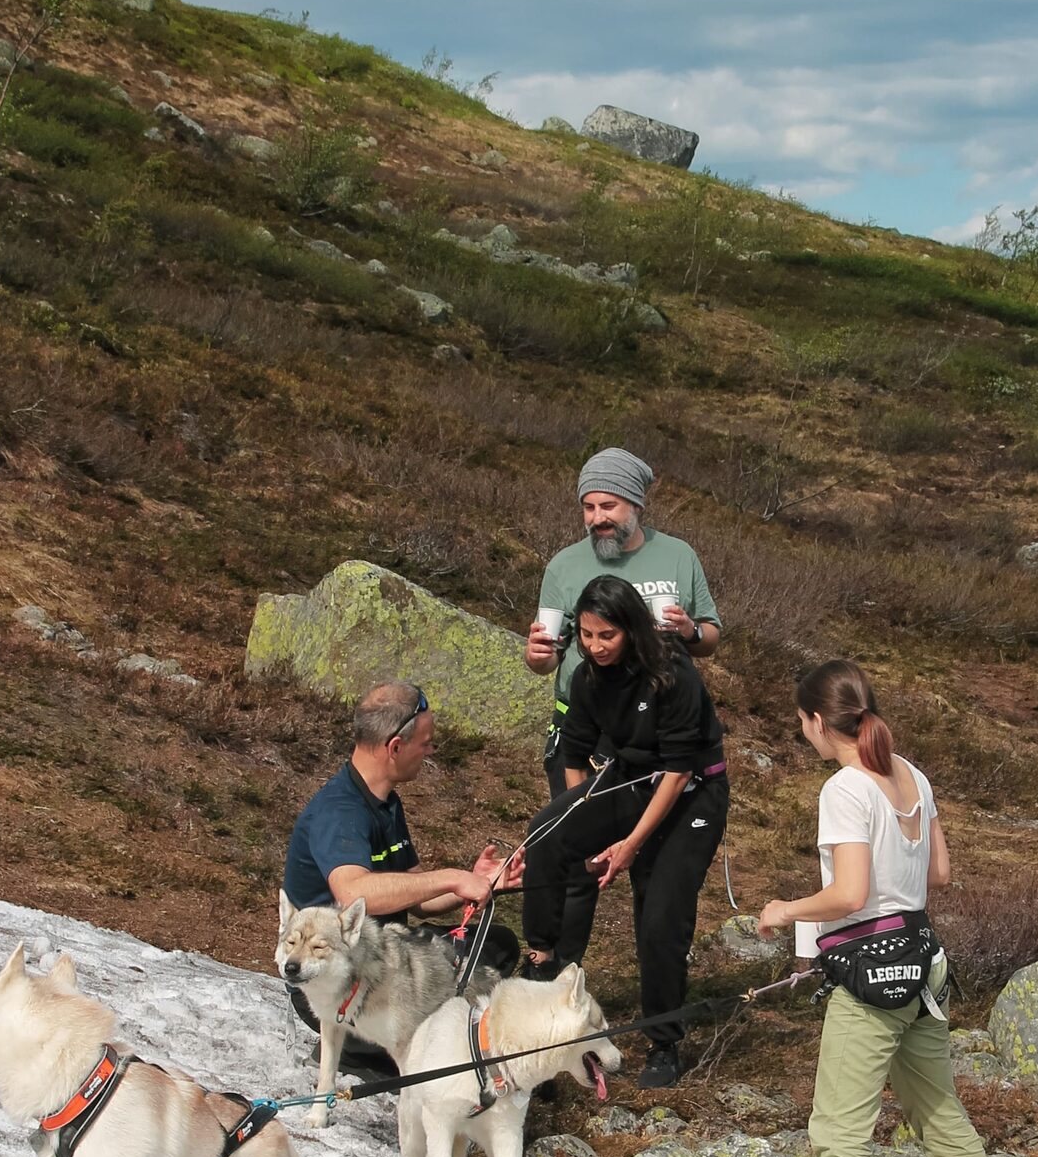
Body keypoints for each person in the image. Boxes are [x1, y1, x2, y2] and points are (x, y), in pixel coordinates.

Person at [753, 659, 1014, 1157]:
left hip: (871, 979)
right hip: (923, 964)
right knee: (939, 1113)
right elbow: (941, 874)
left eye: (800, 721)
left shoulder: (845, 787)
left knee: (839, 1131)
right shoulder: (910, 775)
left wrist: (785, 910)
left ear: (815, 720)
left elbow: (848, 895)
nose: (802, 731)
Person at [520, 577, 728, 1091]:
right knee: (546, 832)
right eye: (587, 635)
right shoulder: (588, 677)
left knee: (660, 916)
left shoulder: (672, 672)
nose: (595, 646)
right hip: (629, 779)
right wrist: (581, 820)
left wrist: (630, 846)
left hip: (691, 791)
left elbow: (679, 771)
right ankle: (545, 965)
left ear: (631, 628)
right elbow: (573, 752)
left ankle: (664, 1041)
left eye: (606, 635)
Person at [283, 681, 519, 1078]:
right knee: (465, 975)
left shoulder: (385, 802)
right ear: (395, 747)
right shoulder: (340, 812)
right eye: (425, 744)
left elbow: (416, 900)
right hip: (343, 984)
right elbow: (354, 892)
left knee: (494, 946)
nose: (429, 752)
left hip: (385, 963)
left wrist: (474, 882)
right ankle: (359, 1051)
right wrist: (451, 877)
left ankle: (399, 1045)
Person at [525, 448, 721, 798]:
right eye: (589, 507)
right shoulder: (564, 566)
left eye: (608, 506)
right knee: (581, 839)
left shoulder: (678, 556)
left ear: (636, 505)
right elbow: (547, 657)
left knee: (641, 847)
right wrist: (538, 657)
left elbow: (710, 637)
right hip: (583, 725)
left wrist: (691, 631)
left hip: (658, 728)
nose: (596, 518)